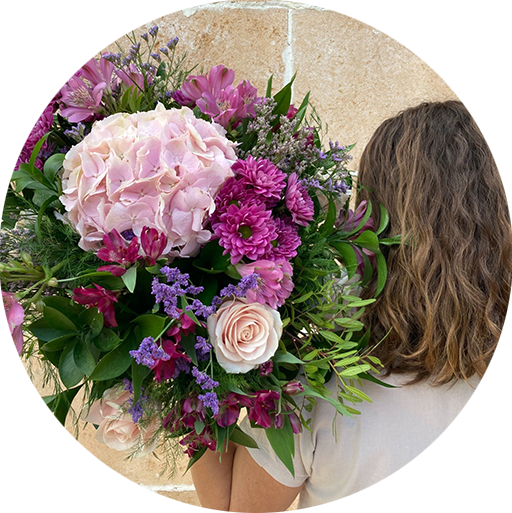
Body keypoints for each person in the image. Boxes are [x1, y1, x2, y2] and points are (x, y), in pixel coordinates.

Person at [190, 101, 512, 513]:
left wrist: (185, 363)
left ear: (377, 224)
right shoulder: (320, 380)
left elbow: (231, 510)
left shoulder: (320, 384)